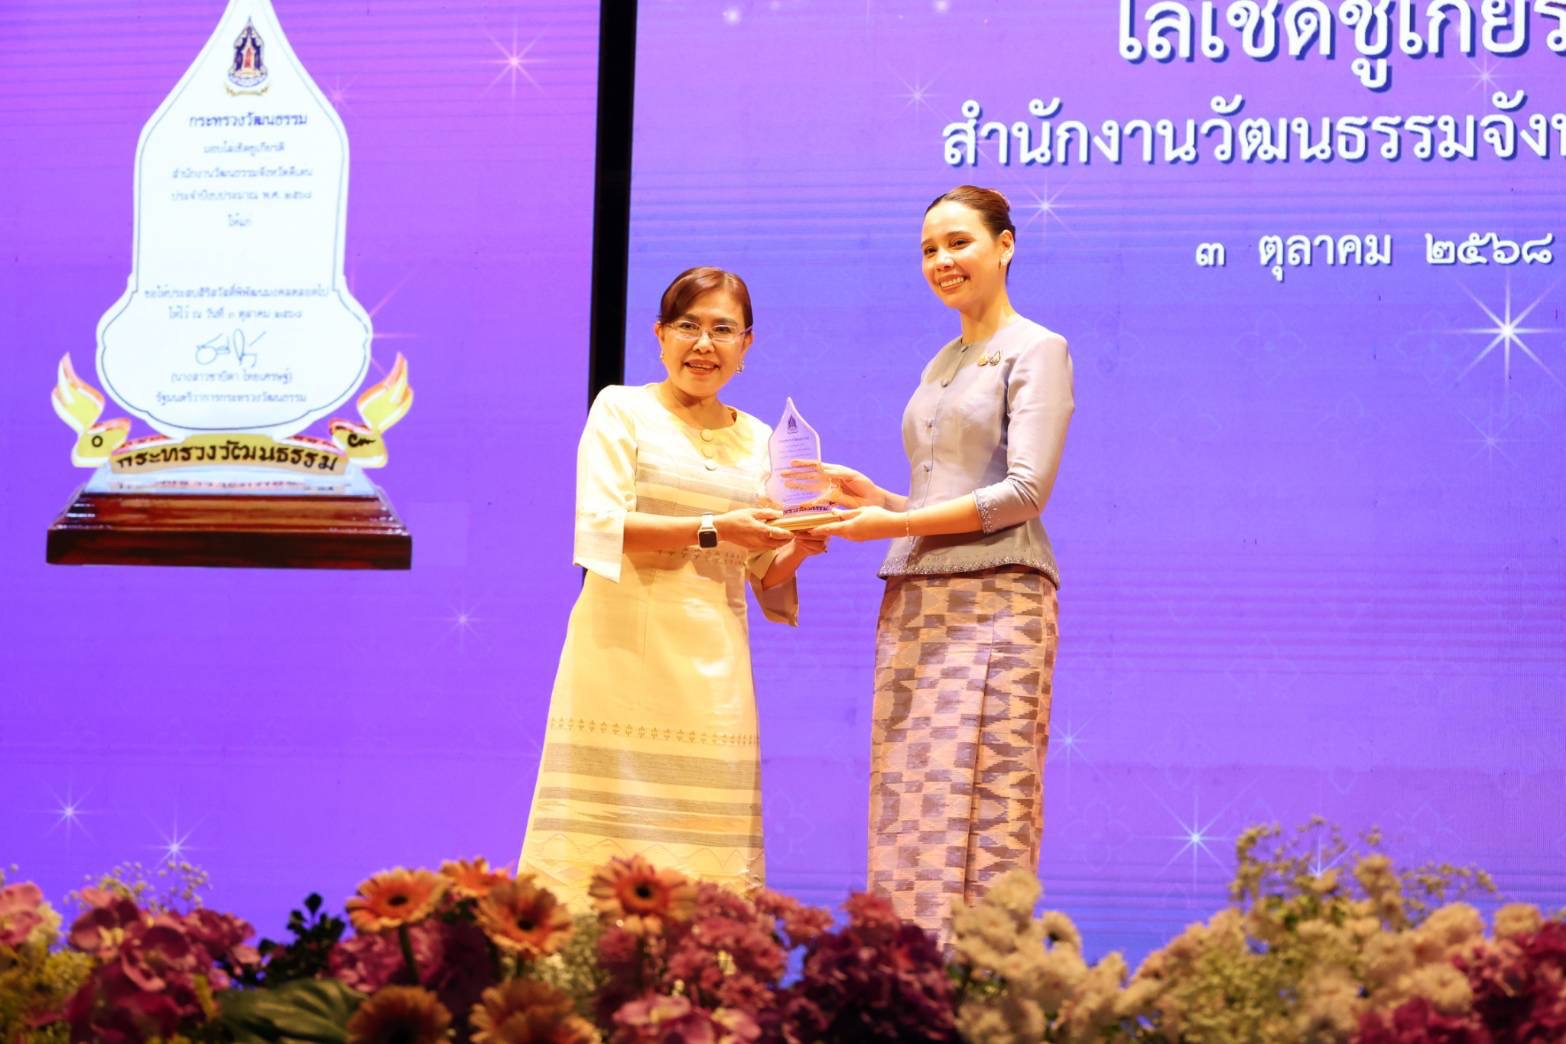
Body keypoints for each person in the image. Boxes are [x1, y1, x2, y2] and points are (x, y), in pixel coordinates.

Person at [808, 186, 1074, 938]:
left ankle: (980, 983)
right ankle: (907, 979)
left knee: (987, 804)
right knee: (911, 802)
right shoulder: (941, 361)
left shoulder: (1038, 348)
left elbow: (1022, 493)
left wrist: (893, 521)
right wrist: (879, 497)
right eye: (929, 249)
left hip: (1000, 602)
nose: (942, 260)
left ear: (1006, 245)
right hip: (916, 602)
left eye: (959, 242)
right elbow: (945, 499)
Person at [520, 267, 823, 903]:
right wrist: (714, 529)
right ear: (660, 335)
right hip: (616, 657)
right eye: (688, 326)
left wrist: (801, 544)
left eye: (723, 330)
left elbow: (762, 571)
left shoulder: (762, 440)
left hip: (714, 671)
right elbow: (601, 526)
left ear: (747, 344)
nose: (704, 344)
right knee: (597, 855)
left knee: (705, 856)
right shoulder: (621, 409)